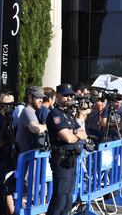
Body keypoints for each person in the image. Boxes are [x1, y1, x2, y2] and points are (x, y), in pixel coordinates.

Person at [46, 84, 88, 215]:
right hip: (61, 159)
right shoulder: (55, 114)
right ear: (57, 96)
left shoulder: (68, 115)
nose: (69, 97)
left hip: (72, 158)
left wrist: (73, 132)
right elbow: (67, 138)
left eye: (71, 95)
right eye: (66, 95)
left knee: (69, 196)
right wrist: (75, 134)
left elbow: (84, 134)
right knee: (60, 197)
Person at [16, 86, 48, 153]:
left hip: (31, 156)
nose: (41, 100)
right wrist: (48, 125)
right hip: (27, 157)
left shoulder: (32, 111)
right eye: (38, 97)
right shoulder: (28, 111)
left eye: (42, 98)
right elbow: (35, 129)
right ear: (30, 97)